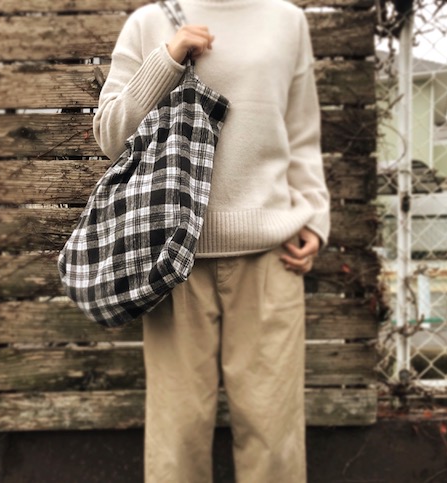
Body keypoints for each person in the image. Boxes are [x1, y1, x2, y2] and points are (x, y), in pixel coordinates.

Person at [93, 0, 330, 481]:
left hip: (272, 257)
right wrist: (166, 60)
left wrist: (315, 215)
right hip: (172, 260)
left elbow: (302, 132)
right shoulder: (150, 22)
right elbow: (110, 135)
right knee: (177, 437)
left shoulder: (287, 21)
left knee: (273, 436)